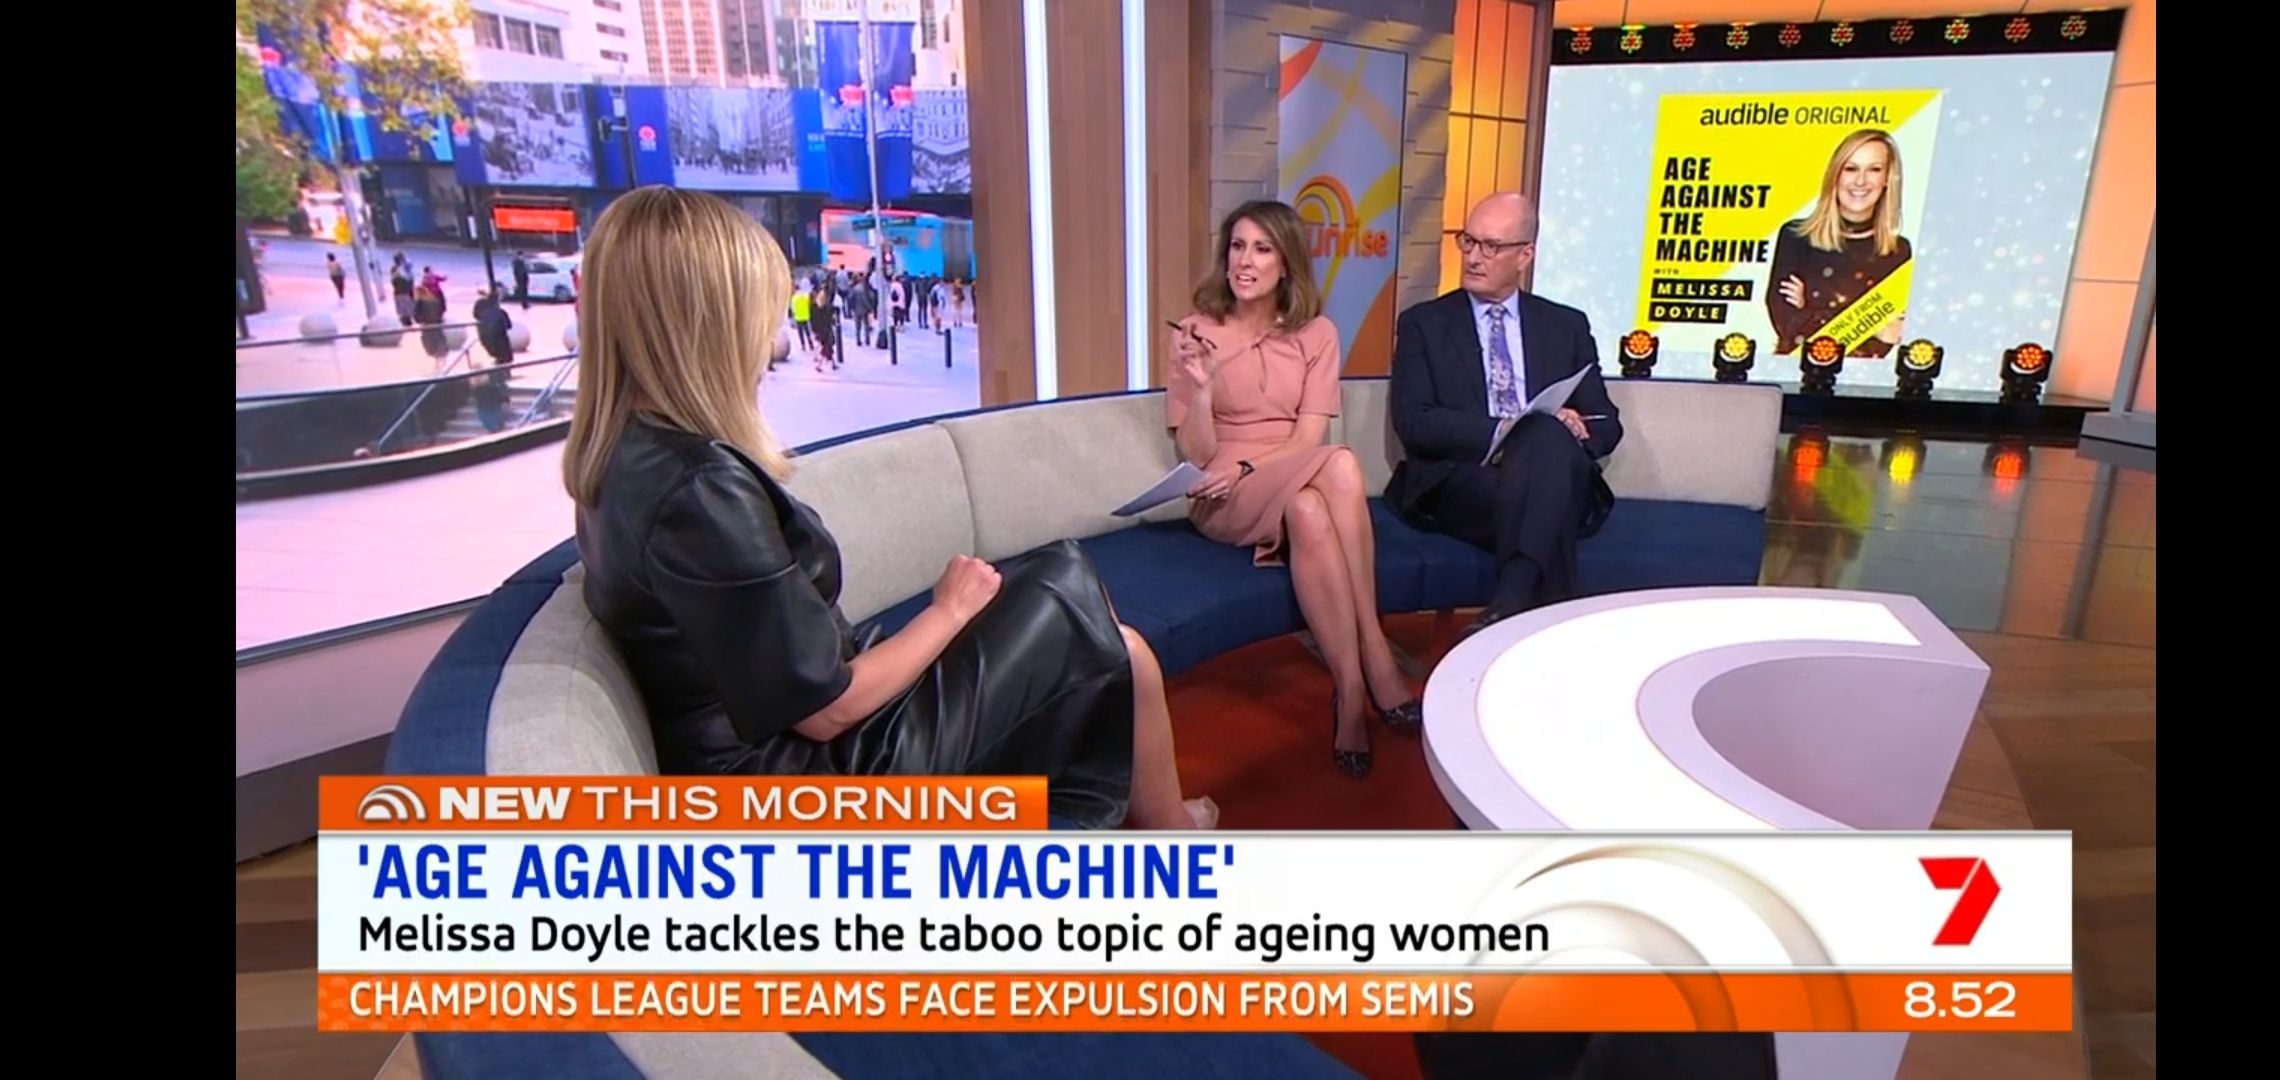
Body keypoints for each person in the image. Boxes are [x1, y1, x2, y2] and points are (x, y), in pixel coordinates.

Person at [564, 187, 1215, 831]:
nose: (771, 338)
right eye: (759, 315)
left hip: (791, 743)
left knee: (1094, 621)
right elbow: (825, 710)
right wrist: (946, 612)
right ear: (706, 325)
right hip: (817, 780)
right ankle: (1172, 834)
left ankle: (1163, 825)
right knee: (1063, 588)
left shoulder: (629, 459)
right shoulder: (700, 491)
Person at [1167, 199, 1420, 781]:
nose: (1245, 261)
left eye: (1262, 249)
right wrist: (1201, 389)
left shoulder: (1317, 333)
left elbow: (1308, 437)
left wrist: (1252, 466)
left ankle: (1349, 693)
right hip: (1222, 490)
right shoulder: (1197, 330)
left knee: (1311, 506)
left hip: (1287, 468)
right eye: (1237, 246)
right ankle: (1376, 651)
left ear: (1287, 263)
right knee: (1341, 466)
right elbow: (1197, 455)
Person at [1385, 193, 1623, 636]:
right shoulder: (1424, 324)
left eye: (1491, 246)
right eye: (1469, 241)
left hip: (1544, 474)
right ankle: (1543, 626)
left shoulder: (1565, 326)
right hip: (1464, 480)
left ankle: (1510, 604)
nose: (1474, 257)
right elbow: (1415, 423)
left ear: (1525, 255)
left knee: (1547, 441)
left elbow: (1606, 424)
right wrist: (1509, 429)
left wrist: (1571, 429)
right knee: (1545, 465)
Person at [1766, 129, 1912, 359]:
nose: (1861, 181)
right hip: (1797, 371)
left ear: (1887, 179)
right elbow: (1788, 324)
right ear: (1836, 174)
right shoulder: (1796, 237)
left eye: (1874, 169)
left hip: (1861, 376)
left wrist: (1811, 311)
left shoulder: (1898, 251)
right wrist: (1871, 327)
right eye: (1851, 168)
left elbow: (1884, 342)